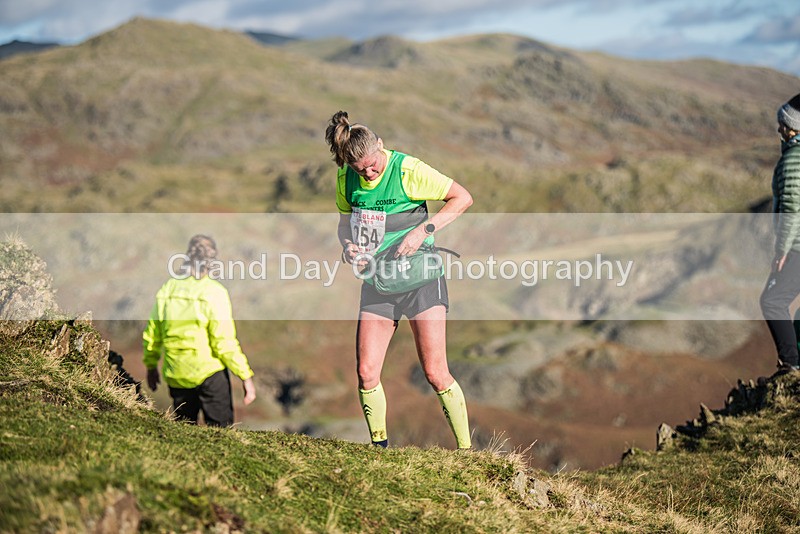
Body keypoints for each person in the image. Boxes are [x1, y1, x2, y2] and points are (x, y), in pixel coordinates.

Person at [324, 110, 473, 449]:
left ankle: (467, 452)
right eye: (361, 169)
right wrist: (348, 246)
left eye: (373, 164)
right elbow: (344, 222)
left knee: (435, 372)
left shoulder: (408, 170)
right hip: (378, 282)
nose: (370, 172)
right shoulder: (346, 179)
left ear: (380, 145)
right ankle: (380, 451)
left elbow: (462, 198)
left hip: (421, 280)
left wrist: (423, 231)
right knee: (366, 371)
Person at [143, 234, 257, 426]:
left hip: (176, 372)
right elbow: (223, 342)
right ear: (213, 261)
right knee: (223, 434)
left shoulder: (169, 288)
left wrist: (151, 365)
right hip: (209, 374)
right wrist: (245, 376)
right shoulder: (215, 292)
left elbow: (153, 331)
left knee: (183, 431)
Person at [760, 92, 800, 375]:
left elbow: (790, 209)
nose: (779, 130)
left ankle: (791, 365)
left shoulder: (792, 161)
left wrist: (781, 252)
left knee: (772, 301)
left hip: (797, 246)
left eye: (783, 124)